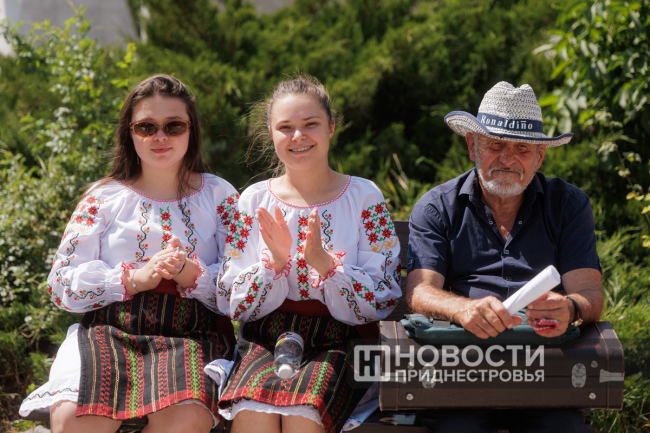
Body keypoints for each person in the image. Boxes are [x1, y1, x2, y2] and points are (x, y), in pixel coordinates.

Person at [19, 75, 237, 433]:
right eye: (146, 127)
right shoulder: (103, 197)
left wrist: (190, 274)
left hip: (192, 333)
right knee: (74, 419)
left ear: (191, 131)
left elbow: (243, 290)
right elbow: (61, 284)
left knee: (186, 418)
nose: (160, 137)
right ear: (129, 133)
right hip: (110, 329)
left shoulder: (220, 196)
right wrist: (132, 279)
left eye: (174, 126)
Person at [406, 81, 603, 432]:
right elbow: (419, 291)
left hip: (548, 371)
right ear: (473, 146)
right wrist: (462, 309)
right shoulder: (437, 207)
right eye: (495, 145)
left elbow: (590, 294)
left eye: (522, 148)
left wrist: (570, 308)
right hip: (461, 371)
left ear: (539, 156)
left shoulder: (569, 205)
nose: (508, 159)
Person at [215, 75, 402, 433]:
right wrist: (275, 265)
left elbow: (385, 293)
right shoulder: (254, 200)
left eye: (310, 124)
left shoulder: (364, 197)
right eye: (285, 127)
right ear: (271, 133)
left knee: (302, 415)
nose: (298, 136)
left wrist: (328, 267)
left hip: (341, 340)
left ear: (331, 127)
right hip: (265, 337)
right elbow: (231, 299)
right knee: (253, 414)